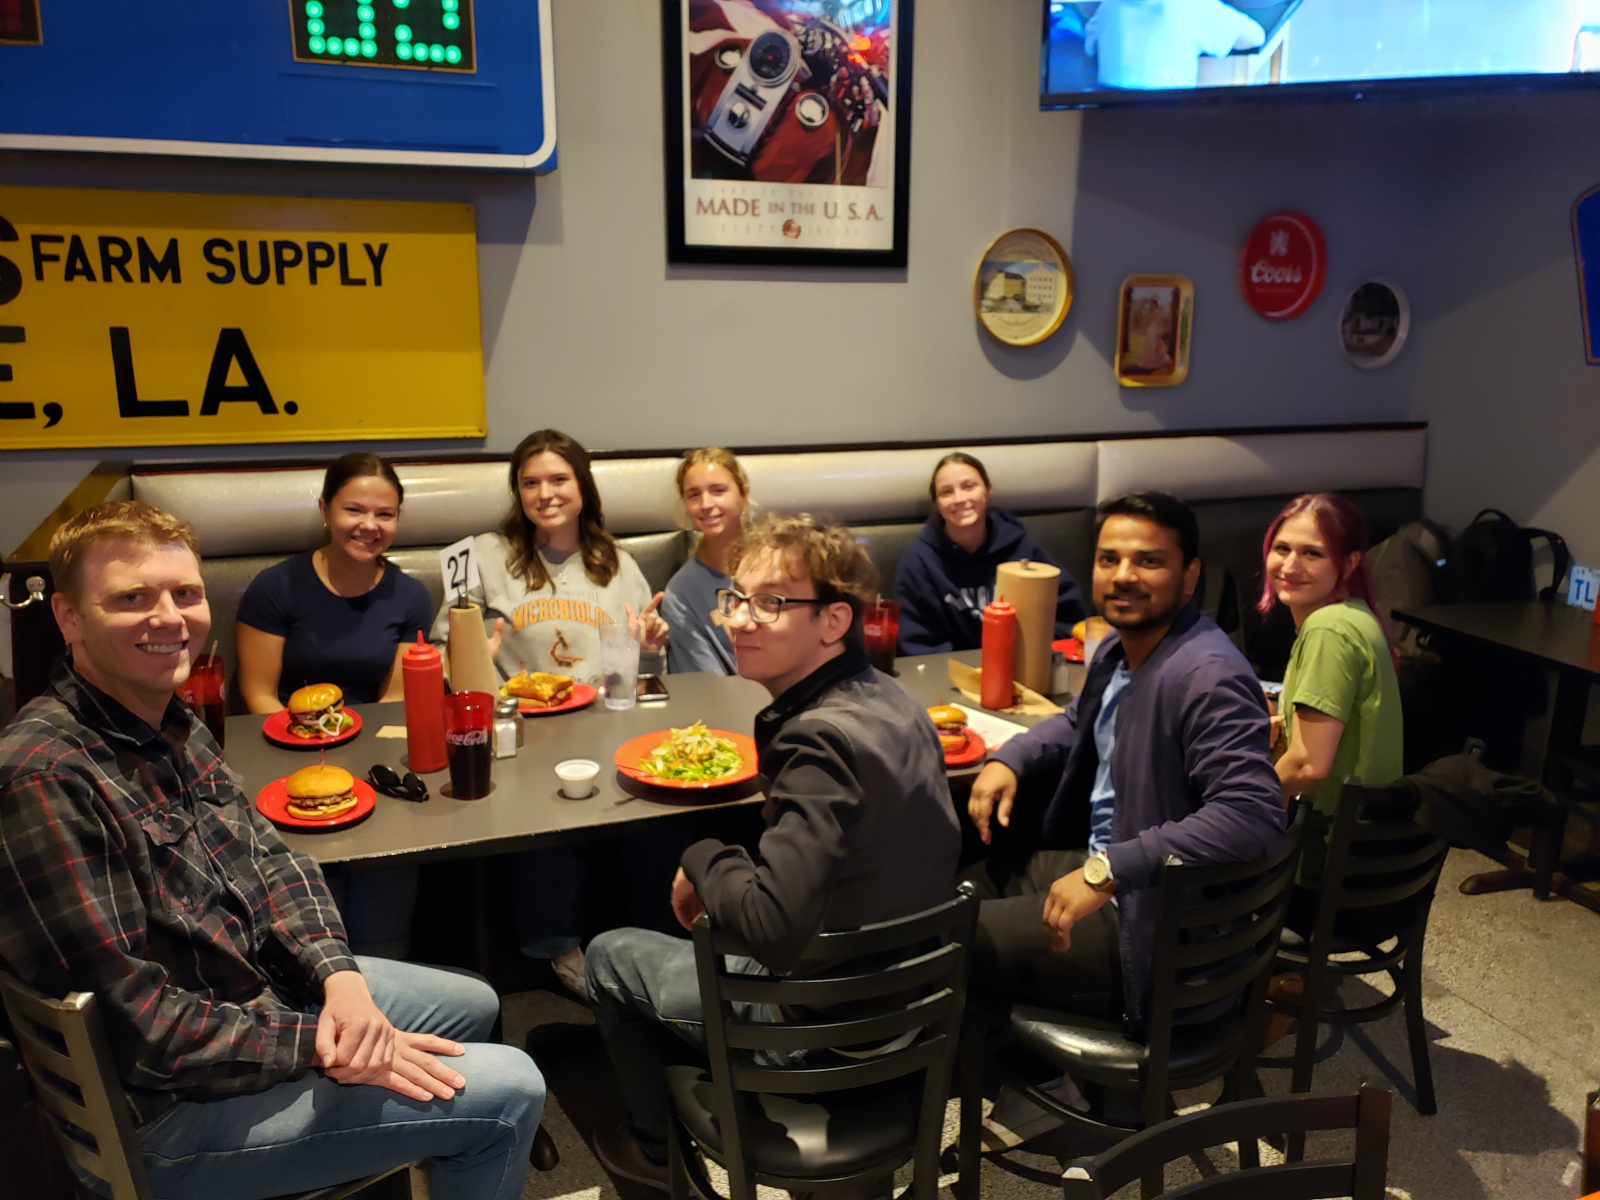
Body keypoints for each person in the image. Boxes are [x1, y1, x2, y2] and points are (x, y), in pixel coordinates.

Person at [0, 501, 544, 1200]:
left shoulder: (170, 718)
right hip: (164, 1117)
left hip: (247, 999)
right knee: (510, 1091)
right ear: (70, 618)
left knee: (470, 1002)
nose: (170, 617)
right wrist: (318, 1043)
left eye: (185, 594)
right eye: (131, 598)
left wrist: (338, 980)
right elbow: (141, 1031)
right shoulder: (43, 777)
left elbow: (271, 861)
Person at [584, 514, 961, 1192]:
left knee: (609, 953)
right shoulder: (893, 698)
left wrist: (704, 852)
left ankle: (651, 1154)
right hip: (912, 1005)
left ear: (834, 620)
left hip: (828, 1026)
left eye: (773, 602)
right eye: (737, 598)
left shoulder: (817, 740)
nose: (740, 621)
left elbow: (770, 928)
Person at [962, 491, 1286, 1146]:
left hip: (1154, 929)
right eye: (1109, 558)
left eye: (1149, 560)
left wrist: (1111, 868)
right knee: (964, 883)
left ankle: (1052, 1089)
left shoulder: (1205, 673)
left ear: (1190, 574)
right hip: (1114, 873)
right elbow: (1080, 722)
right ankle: (1041, 1072)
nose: (1123, 574)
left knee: (947, 940)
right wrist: (1013, 759)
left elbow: (1253, 813)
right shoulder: (1122, 648)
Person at [432, 430, 672, 998]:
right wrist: (476, 656)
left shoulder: (617, 562)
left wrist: (654, 642)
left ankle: (662, 944)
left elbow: (639, 661)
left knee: (659, 810)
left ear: (582, 486)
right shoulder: (482, 555)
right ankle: (559, 949)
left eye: (558, 479)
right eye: (530, 482)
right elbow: (450, 648)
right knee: (544, 811)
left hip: (606, 716)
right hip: (522, 725)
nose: (545, 493)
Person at [237, 452, 432, 959]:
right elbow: (258, 693)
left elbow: (392, 699)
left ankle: (391, 973)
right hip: (286, 752)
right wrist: (303, 752)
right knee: (314, 886)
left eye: (385, 514)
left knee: (391, 862)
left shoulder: (409, 595)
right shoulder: (275, 587)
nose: (370, 525)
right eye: (354, 510)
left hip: (372, 754)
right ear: (325, 510)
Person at [1261, 492, 1403, 922]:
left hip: (1321, 876)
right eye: (1282, 549)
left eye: (1312, 554)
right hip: (1370, 857)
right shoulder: (1355, 615)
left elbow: (1308, 766)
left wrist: (1238, 811)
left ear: (1350, 562)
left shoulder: (1328, 630)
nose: (1289, 566)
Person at [894, 452, 1086, 655]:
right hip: (951, 673)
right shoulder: (918, 561)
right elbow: (919, 645)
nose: (959, 499)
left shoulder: (1022, 549)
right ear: (937, 504)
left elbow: (1067, 617)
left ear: (987, 491)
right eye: (946, 492)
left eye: (969, 487)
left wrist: (1027, 652)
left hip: (1020, 666)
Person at [661, 446, 749, 674]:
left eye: (718, 490)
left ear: (743, 493)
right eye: (694, 495)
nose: (706, 504)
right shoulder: (681, 593)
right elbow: (707, 685)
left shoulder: (780, 563)